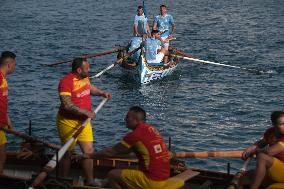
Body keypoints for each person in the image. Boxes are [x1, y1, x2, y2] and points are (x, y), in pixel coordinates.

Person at [84, 106, 171, 189]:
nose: (125, 120)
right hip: (165, 175)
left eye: (127, 117)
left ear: (135, 120)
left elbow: (110, 152)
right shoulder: (152, 129)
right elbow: (126, 152)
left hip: (152, 180)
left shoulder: (135, 135)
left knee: (112, 175)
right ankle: (104, 183)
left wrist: (89, 156)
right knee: (123, 168)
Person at [56, 57, 112, 186]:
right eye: (87, 68)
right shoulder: (66, 82)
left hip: (84, 122)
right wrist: (86, 112)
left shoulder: (84, 77)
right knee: (67, 154)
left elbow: (90, 88)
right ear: (79, 69)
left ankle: (90, 180)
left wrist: (102, 93)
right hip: (67, 122)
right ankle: (63, 181)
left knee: (88, 152)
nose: (89, 70)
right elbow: (66, 104)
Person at [239, 111, 284, 189]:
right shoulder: (270, 132)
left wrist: (256, 151)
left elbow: (270, 151)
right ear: (274, 125)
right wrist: (251, 147)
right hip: (274, 169)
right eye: (281, 124)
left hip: (282, 171)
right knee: (242, 179)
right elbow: (262, 142)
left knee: (262, 157)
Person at [0, 51, 16, 174]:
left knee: (2, 154)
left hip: (2, 124)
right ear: (9, 64)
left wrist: (8, 121)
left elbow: (3, 105)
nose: (15, 67)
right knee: (2, 155)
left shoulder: (4, 80)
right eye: (15, 64)